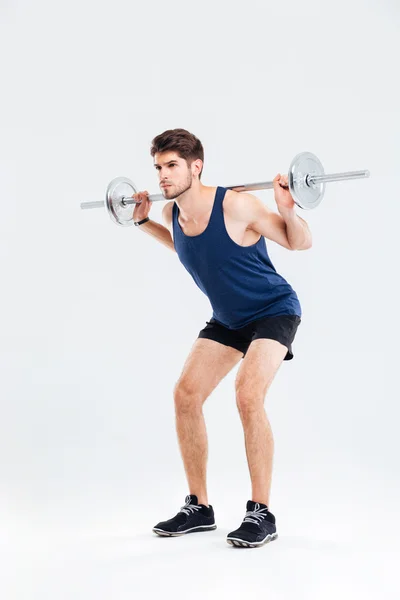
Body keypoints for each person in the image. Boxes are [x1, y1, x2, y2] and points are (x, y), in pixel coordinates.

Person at [133, 128, 312, 548]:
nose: (163, 175)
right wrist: (141, 221)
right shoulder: (171, 215)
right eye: (158, 167)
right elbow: (185, 248)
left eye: (172, 165)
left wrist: (288, 207)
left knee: (248, 394)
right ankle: (199, 507)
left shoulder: (237, 205)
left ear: (196, 166)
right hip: (228, 319)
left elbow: (299, 242)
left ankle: (261, 513)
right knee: (186, 394)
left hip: (274, 310)